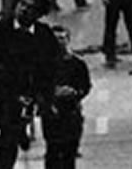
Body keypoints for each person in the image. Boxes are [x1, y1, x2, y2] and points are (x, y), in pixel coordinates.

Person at [0, 0, 60, 169]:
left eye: (30, 8)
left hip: (25, 87)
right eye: (22, 4)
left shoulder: (44, 35)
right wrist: (17, 96)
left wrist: (42, 98)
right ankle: (20, 129)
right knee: (5, 124)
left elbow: (49, 69)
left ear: (38, 14)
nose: (23, 9)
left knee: (8, 137)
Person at [40, 25, 92, 168]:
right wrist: (52, 94)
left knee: (69, 153)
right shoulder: (43, 64)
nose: (59, 42)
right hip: (52, 113)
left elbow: (85, 86)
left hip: (71, 112)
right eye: (56, 39)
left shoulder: (77, 63)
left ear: (68, 40)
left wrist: (74, 92)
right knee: (53, 151)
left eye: (62, 38)